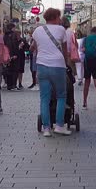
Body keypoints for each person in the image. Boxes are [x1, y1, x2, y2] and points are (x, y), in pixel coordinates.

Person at [33, 8, 73, 137]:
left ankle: (46, 128)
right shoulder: (61, 30)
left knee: (44, 98)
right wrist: (66, 64)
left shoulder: (38, 30)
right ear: (55, 17)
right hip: (57, 65)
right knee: (61, 96)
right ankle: (60, 126)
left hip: (42, 66)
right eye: (59, 17)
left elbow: (33, 47)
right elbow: (65, 50)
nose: (60, 20)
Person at [81, 26, 96, 111]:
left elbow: (83, 50)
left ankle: (84, 103)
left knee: (87, 82)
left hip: (87, 62)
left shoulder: (86, 39)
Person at [3, 24, 21, 90]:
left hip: (7, 54)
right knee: (15, 70)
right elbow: (15, 45)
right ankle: (14, 85)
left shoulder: (5, 35)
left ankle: (9, 85)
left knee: (8, 70)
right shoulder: (13, 35)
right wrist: (15, 54)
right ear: (12, 28)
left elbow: (4, 45)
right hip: (14, 54)